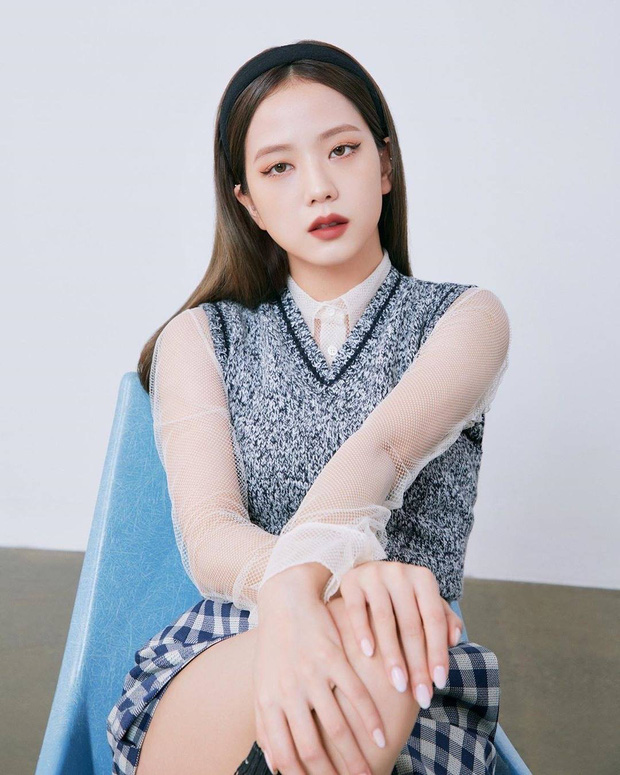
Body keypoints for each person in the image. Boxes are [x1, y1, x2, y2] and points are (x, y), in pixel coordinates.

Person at [106, 39, 510, 775]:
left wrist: (330, 594)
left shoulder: (464, 317)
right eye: (279, 168)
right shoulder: (199, 336)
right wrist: (315, 592)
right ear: (248, 203)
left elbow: (383, 452)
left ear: (385, 165)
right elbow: (209, 531)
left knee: (373, 626)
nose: (319, 188)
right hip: (231, 641)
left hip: (407, 670)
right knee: (363, 612)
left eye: (343, 151)